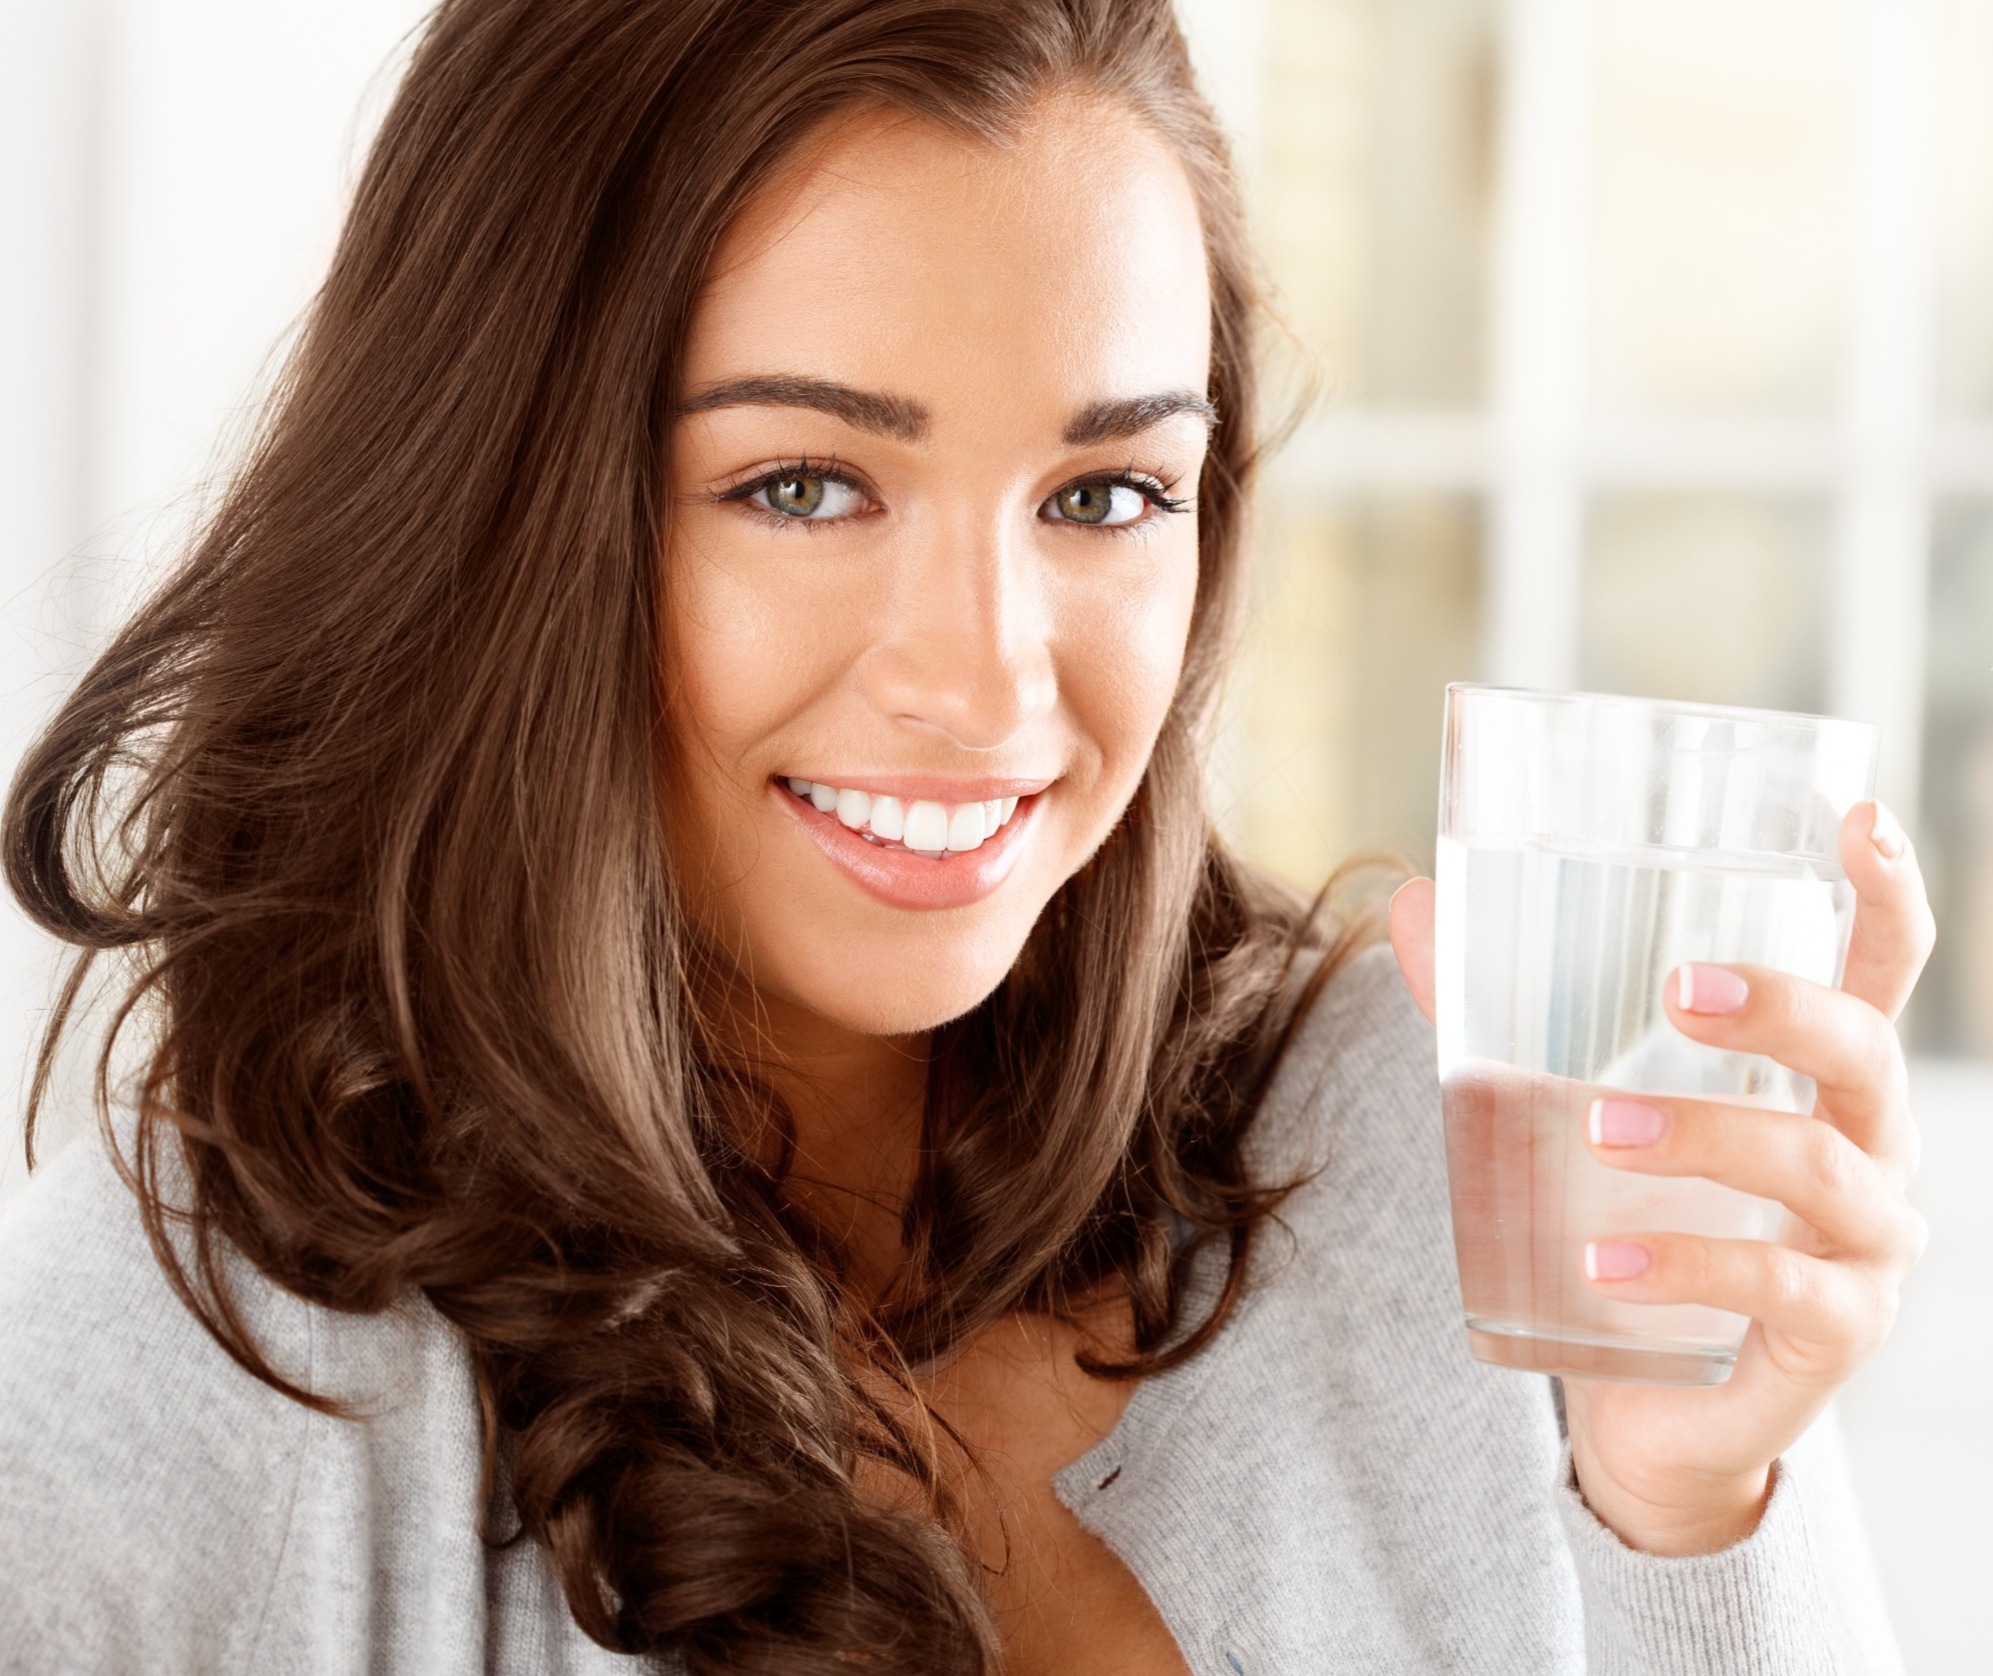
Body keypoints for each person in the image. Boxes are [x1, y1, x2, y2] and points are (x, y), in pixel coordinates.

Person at [0, 1, 1932, 1671]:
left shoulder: (1433, 1160)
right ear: (499, 514)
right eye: (802, 482)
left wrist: (1688, 1510)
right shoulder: (182, 1386)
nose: (992, 686)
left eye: (1102, 496)